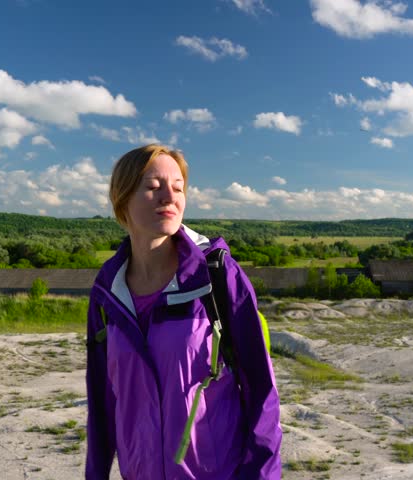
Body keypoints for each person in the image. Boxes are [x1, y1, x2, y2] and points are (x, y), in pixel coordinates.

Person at [86, 144, 282, 479]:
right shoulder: (108, 291)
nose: (169, 197)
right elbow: (102, 402)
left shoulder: (216, 276)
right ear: (123, 199)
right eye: (153, 187)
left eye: (178, 188)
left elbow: (261, 392)